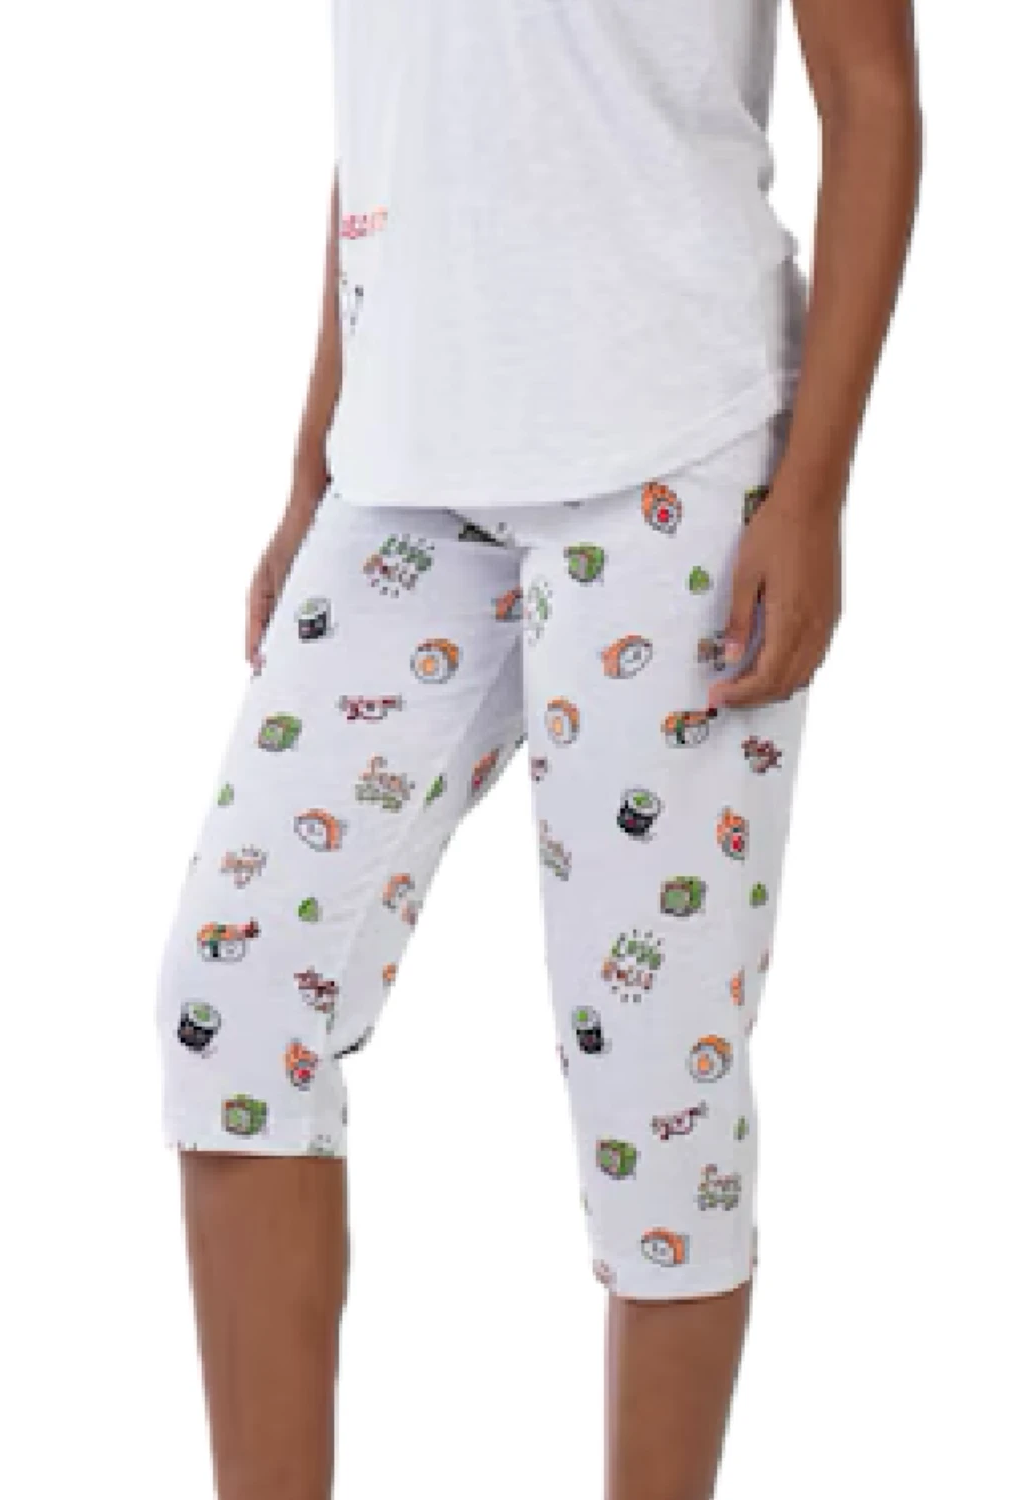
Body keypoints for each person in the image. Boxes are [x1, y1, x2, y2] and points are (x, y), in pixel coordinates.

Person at [156, 2, 921, 1496]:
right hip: (405, 474)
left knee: (652, 1070)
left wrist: (813, 491)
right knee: (235, 996)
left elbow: (873, 98)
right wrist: (315, 456)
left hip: (675, 453)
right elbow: (389, 127)